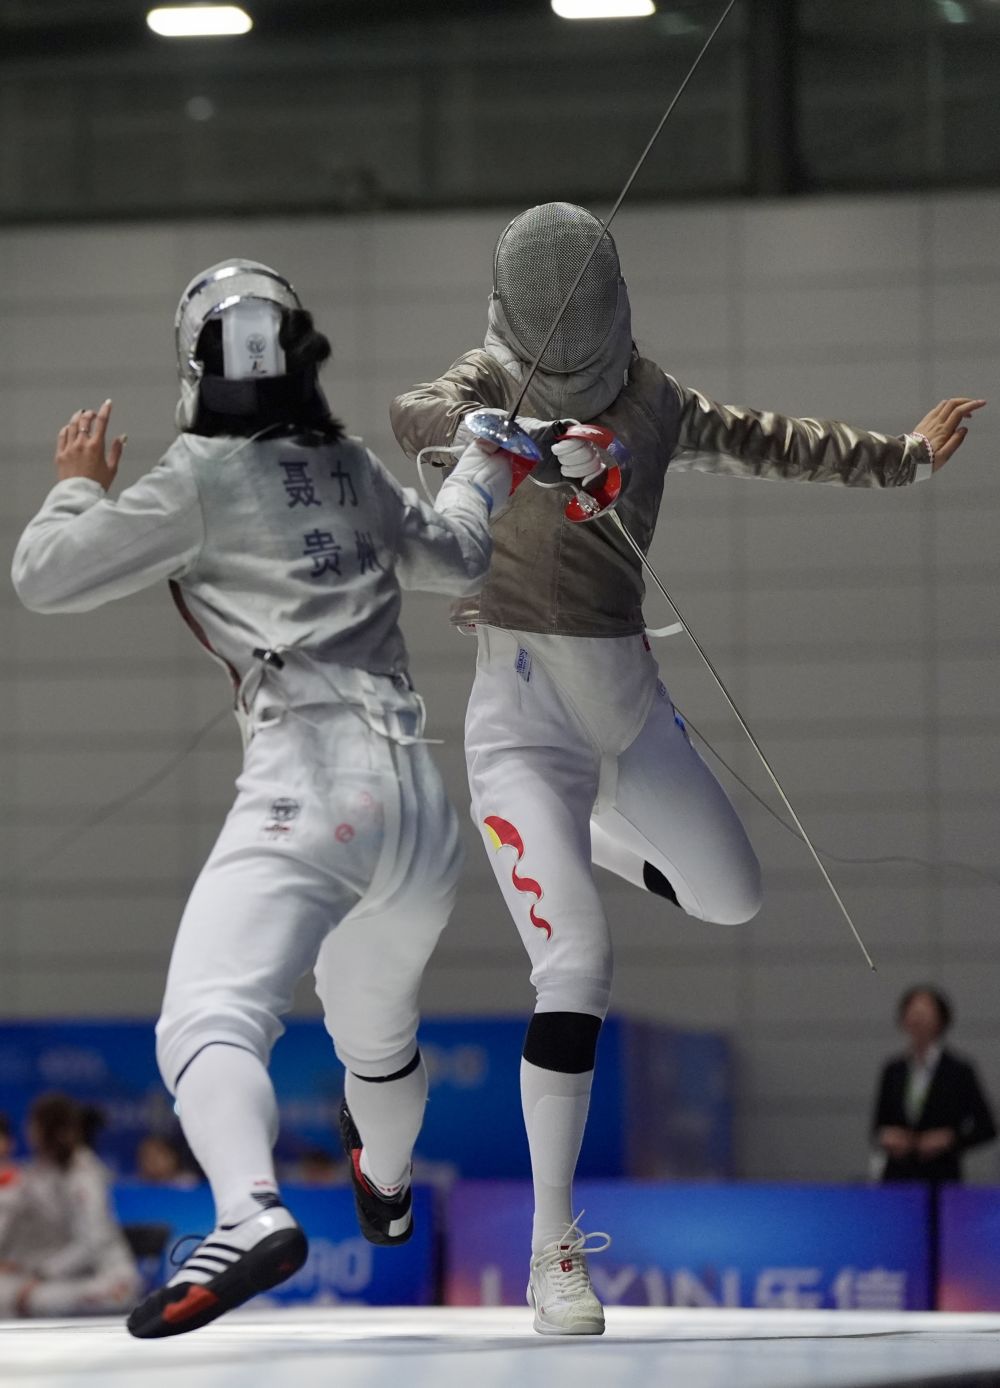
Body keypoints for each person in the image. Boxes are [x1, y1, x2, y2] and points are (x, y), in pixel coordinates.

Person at [390, 202, 987, 1336]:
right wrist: (498, 436)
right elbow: (413, 410)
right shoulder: (487, 382)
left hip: (628, 714)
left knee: (732, 894)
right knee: (578, 964)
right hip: (522, 731)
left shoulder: (653, 398)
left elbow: (772, 439)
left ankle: (585, 833)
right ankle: (553, 1252)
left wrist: (905, 457)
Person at [11, 259, 511, 1338]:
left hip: (310, 783)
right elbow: (466, 554)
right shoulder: (355, 465)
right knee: (376, 1038)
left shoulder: (199, 474)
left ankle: (247, 1212)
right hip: (419, 810)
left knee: (207, 1018)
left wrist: (78, 484)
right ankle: (386, 1186)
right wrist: (483, 461)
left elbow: (44, 574)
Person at [0, 1094, 141, 1318]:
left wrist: (40, 1273)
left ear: (45, 1129)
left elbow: (92, 1243)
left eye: (33, 1125)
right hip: (69, 1278)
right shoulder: (42, 1173)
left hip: (109, 1280)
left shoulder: (85, 1174)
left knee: (28, 1299)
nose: (28, 1132)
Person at [873, 985, 996, 1184]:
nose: (918, 1019)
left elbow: (986, 1127)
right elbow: (877, 1127)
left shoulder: (958, 1071)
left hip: (941, 1176)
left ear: (941, 1020)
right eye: (913, 1012)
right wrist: (888, 1137)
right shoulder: (893, 1070)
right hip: (898, 1177)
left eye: (924, 1012)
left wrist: (950, 1139)